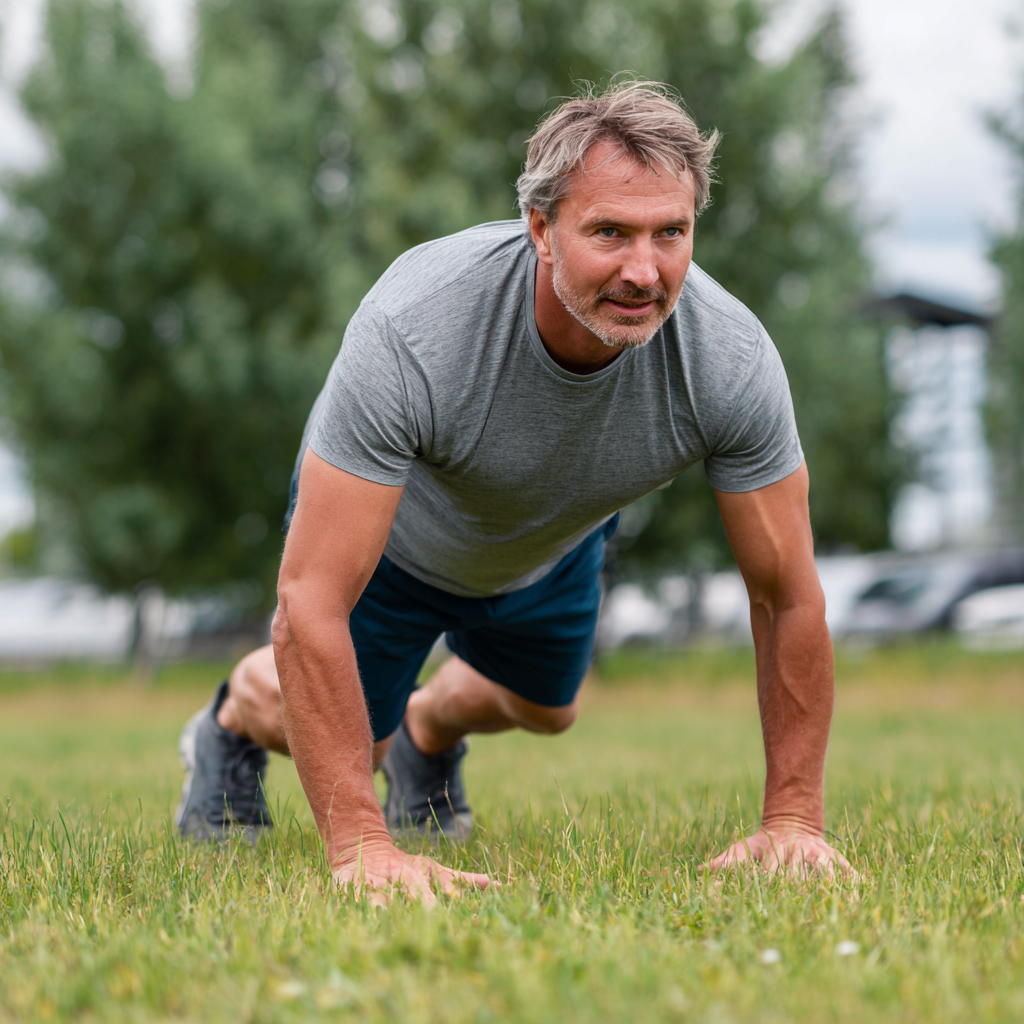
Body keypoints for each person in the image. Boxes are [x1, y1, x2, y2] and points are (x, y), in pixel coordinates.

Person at [175, 80, 851, 900]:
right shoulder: (415, 328)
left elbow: (786, 596)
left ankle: (431, 727)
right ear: (541, 229)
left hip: (548, 543)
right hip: (393, 545)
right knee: (356, 741)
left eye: (670, 232)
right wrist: (361, 847)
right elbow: (309, 599)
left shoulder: (729, 360)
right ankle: (229, 724)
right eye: (610, 232)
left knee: (546, 708)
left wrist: (792, 823)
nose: (645, 271)